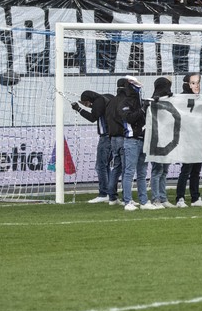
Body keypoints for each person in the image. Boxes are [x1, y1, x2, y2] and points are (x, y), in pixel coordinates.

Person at [118, 76, 160, 211]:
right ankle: (128, 201)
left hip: (143, 140)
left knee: (142, 173)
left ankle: (143, 201)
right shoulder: (124, 102)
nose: (138, 87)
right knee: (129, 172)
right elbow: (128, 118)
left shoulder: (139, 101)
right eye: (134, 85)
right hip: (131, 141)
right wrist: (142, 109)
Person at [72, 89, 113, 203]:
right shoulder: (107, 98)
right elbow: (98, 111)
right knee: (106, 166)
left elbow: (92, 117)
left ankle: (103, 193)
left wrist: (79, 109)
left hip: (106, 137)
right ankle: (110, 193)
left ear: (90, 100)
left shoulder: (99, 101)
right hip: (114, 137)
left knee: (100, 166)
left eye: (86, 103)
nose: (87, 105)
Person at [175, 73, 202, 207]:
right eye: (193, 82)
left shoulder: (201, 98)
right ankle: (180, 198)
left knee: (196, 170)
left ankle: (195, 198)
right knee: (186, 169)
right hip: (187, 140)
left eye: (198, 82)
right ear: (187, 84)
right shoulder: (181, 98)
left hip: (199, 139)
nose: (196, 85)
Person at [148, 77, 174, 208]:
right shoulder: (151, 102)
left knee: (164, 171)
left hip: (168, 141)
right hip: (156, 141)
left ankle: (163, 198)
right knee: (157, 171)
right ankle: (156, 198)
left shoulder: (171, 100)